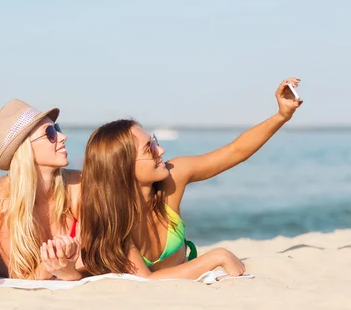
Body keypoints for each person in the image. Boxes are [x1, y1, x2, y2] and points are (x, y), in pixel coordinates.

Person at [79, 78, 302, 279]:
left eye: (155, 142)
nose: (162, 151)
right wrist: (216, 256)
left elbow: (235, 151)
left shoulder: (173, 178)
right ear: (123, 167)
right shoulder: (115, 220)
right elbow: (145, 281)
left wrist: (282, 116)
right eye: (150, 149)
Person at [0, 100, 82, 280]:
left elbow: (92, 262)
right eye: (50, 133)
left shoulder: (78, 185)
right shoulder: (6, 199)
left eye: (57, 128)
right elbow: (22, 278)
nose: (63, 137)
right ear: (25, 149)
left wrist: (64, 270)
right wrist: (53, 266)